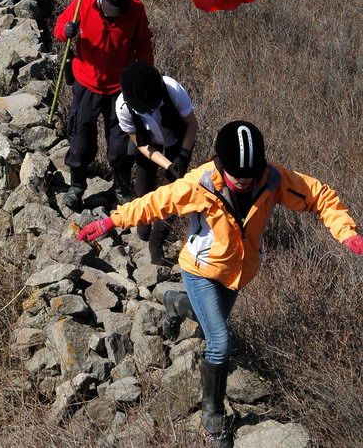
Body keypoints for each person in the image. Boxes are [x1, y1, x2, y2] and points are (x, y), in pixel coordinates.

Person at [77, 120, 363, 448]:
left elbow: (319, 196)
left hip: (236, 273)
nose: (243, 183)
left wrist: (347, 232)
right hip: (199, 269)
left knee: (211, 323)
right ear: (221, 164)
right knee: (220, 342)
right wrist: (110, 221)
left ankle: (173, 301)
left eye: (249, 176)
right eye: (236, 176)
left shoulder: (273, 179)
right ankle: (212, 415)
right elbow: (155, 203)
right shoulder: (200, 184)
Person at [54, 0, 154, 213]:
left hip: (120, 89)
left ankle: (120, 188)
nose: (114, 14)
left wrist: (145, 75)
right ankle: (77, 185)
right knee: (81, 140)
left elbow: (143, 43)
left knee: (120, 145)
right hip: (86, 84)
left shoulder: (136, 10)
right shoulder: (82, 4)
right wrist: (66, 31)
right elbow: (58, 30)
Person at [116, 62, 198, 266]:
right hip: (148, 142)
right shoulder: (123, 107)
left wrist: (182, 156)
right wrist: (167, 165)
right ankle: (143, 223)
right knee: (143, 188)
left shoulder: (172, 90)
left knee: (172, 194)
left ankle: (157, 242)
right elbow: (141, 144)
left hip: (177, 140)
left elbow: (192, 124)